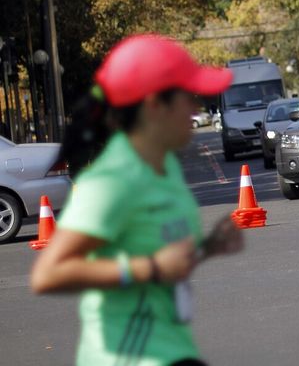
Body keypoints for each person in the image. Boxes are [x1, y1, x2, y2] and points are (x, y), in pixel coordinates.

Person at [30, 34, 243, 366]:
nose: (196, 109)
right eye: (188, 98)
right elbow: (48, 274)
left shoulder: (166, 165)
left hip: (172, 351)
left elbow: (160, 256)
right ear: (155, 105)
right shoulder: (112, 181)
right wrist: (150, 268)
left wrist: (207, 248)